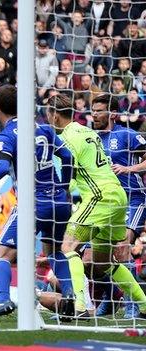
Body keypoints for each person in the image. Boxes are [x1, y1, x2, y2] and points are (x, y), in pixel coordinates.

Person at [0, 85, 75, 321]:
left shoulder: (6, 135)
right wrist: (64, 187)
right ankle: (69, 296)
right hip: (59, 202)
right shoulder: (43, 128)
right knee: (54, 251)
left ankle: (3, 301)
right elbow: (67, 157)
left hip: (33, 204)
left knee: (0, 256)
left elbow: (0, 166)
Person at [45, 93, 146, 319]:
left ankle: (80, 306)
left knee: (67, 247)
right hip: (118, 197)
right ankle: (144, 304)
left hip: (99, 197)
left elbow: (67, 173)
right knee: (104, 263)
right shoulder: (89, 132)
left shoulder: (67, 139)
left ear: (54, 115)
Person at [91, 94, 146, 318]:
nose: (94, 114)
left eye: (99, 111)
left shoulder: (127, 135)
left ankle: (133, 303)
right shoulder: (92, 139)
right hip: (107, 204)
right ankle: (111, 295)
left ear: (112, 113)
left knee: (123, 247)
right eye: (92, 110)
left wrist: (128, 169)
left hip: (134, 199)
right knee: (93, 259)